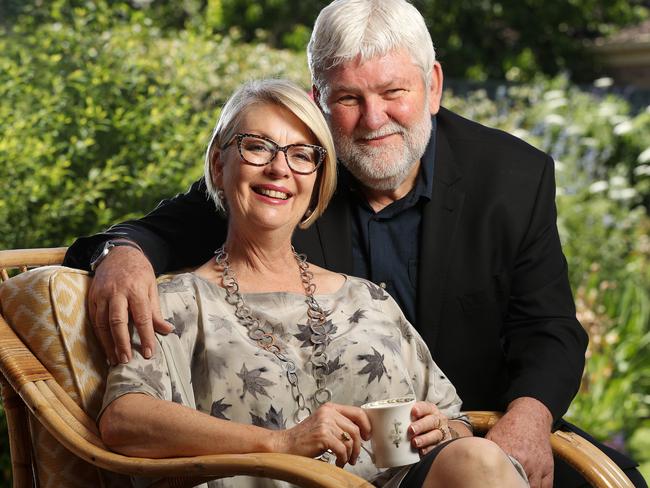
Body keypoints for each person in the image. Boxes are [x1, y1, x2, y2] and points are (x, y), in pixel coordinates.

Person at [65, 1, 645, 487]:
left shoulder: (511, 176)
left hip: (465, 432)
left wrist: (526, 418)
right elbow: (175, 222)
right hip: (322, 461)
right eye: (348, 99)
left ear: (433, 85)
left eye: (394, 91)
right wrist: (123, 253)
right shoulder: (292, 167)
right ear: (319, 101)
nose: (374, 120)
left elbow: (549, 327)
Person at [98, 78, 529, 488]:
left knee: (477, 459)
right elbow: (124, 420)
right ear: (218, 162)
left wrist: (443, 429)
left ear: (317, 179)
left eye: (302, 155)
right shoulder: (176, 303)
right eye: (257, 147)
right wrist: (281, 443)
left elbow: (454, 416)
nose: (279, 169)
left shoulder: (369, 298)